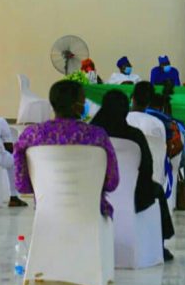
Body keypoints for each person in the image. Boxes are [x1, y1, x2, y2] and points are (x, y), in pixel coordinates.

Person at [13, 80, 119, 218]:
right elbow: (112, 182)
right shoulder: (97, 136)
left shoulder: (31, 135)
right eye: (83, 101)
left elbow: (22, 185)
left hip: (47, 214)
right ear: (76, 106)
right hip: (92, 213)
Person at [90, 89, 175, 260]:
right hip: (134, 196)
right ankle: (160, 245)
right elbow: (147, 169)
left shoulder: (91, 134)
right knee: (157, 190)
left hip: (95, 196)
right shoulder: (134, 136)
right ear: (125, 110)